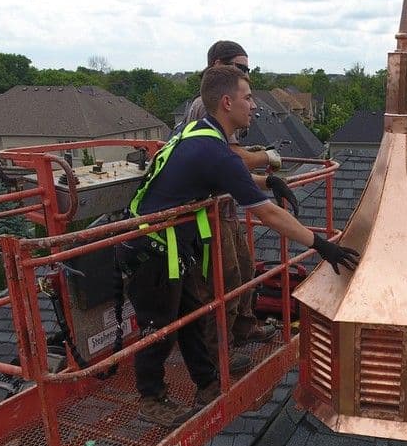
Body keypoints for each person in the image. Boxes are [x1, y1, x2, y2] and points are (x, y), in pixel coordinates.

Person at [124, 64, 359, 425]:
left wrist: (267, 181)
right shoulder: (214, 149)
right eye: (248, 98)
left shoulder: (199, 133)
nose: (254, 106)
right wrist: (321, 245)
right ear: (226, 102)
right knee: (160, 327)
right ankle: (150, 398)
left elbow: (226, 173)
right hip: (151, 249)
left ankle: (206, 383)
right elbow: (269, 216)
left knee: (189, 318)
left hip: (166, 243)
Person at [184, 41, 282, 375]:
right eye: (239, 68)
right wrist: (265, 158)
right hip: (207, 213)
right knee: (220, 282)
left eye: (247, 69)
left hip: (224, 208)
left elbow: (232, 164)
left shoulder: (219, 109)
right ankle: (217, 357)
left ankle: (244, 326)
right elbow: (234, 159)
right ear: (216, 65)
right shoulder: (204, 108)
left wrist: (265, 182)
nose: (244, 76)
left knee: (242, 268)